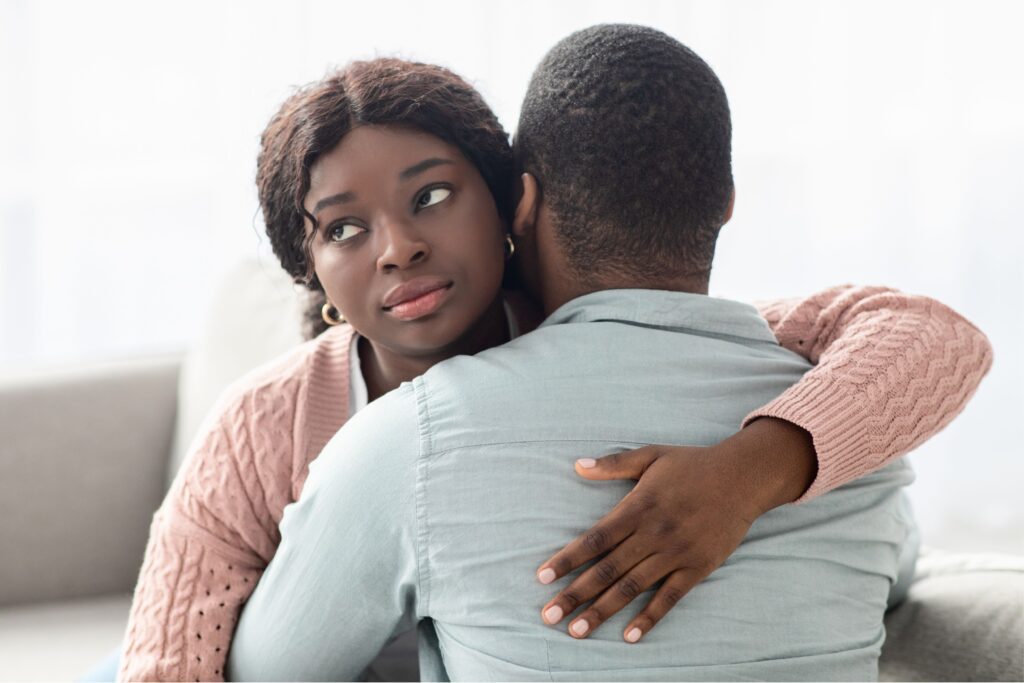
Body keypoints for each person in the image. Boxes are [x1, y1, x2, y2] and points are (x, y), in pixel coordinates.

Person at [116, 48, 992, 683]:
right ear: (312, 272)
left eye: (431, 196)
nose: (400, 247)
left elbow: (929, 339)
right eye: (344, 227)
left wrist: (753, 467)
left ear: (513, 204)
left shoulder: (638, 339)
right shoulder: (265, 425)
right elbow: (175, 661)